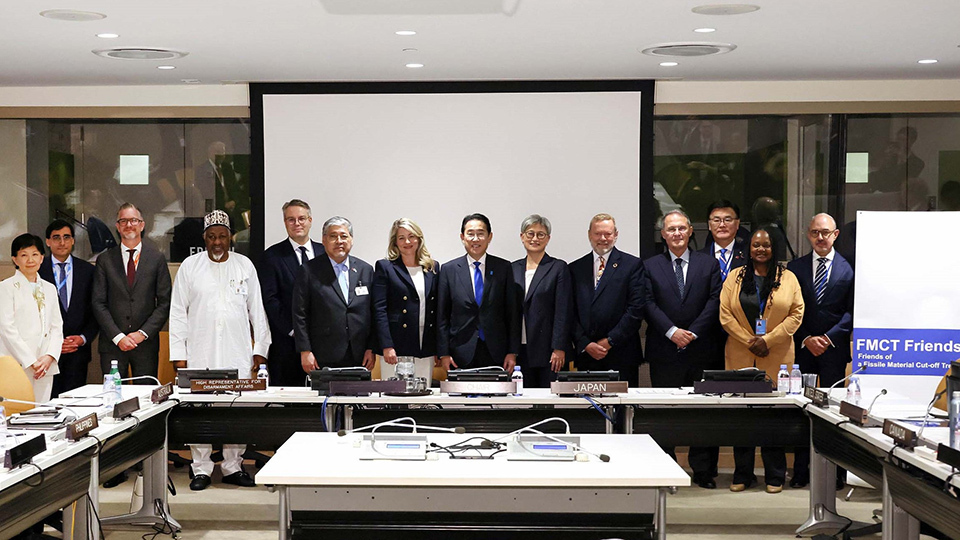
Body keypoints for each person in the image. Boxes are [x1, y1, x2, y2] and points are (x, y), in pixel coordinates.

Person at [170, 210, 270, 491]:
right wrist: (179, 354)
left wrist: (259, 350)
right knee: (200, 411)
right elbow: (177, 312)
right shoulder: (190, 266)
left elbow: (257, 312)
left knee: (234, 409)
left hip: (237, 352)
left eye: (222, 236)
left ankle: (232, 466)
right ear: (204, 238)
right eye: (212, 236)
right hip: (200, 351)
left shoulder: (245, 266)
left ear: (230, 238)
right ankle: (200, 468)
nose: (217, 242)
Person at [719, 226, 804, 494]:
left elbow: (796, 313)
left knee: (773, 418)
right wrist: (750, 341)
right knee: (742, 418)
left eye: (766, 245)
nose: (761, 249)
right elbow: (725, 315)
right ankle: (743, 473)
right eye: (756, 245)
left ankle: (775, 475)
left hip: (776, 356)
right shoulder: (735, 277)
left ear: (774, 248)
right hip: (741, 355)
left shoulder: (788, 277)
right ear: (749, 248)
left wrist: (767, 340)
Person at [643, 210, 722, 489]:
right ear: (663, 234)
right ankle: (667, 469)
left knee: (701, 413)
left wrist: (692, 333)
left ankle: (702, 471)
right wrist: (672, 332)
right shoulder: (650, 266)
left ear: (690, 231)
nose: (676, 233)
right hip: (664, 350)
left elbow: (714, 302)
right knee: (665, 413)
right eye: (670, 229)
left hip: (701, 349)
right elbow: (648, 303)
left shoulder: (709, 264)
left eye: (681, 228)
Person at [786, 213, 854, 489]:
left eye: (826, 233)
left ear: (835, 235)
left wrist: (827, 337)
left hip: (833, 352)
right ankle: (801, 471)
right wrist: (806, 338)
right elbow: (789, 310)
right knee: (802, 411)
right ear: (808, 234)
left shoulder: (849, 268)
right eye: (815, 232)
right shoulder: (795, 267)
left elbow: (851, 312)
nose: (820, 238)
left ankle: (835, 474)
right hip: (803, 351)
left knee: (832, 414)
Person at [92, 203, 172, 383]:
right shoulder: (105, 260)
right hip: (112, 344)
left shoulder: (156, 259)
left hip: (145, 345)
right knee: (112, 399)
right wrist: (118, 337)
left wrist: (142, 333)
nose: (129, 225)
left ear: (142, 225)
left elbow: (165, 303)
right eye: (124, 221)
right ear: (118, 227)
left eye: (134, 220)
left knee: (147, 400)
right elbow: (98, 303)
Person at [569, 213, 645, 386]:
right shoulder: (575, 268)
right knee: (589, 408)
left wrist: (610, 341)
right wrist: (585, 343)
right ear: (589, 234)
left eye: (608, 234)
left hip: (622, 353)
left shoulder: (632, 265)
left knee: (622, 410)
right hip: (587, 355)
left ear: (616, 235)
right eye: (597, 233)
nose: (603, 238)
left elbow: (636, 309)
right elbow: (569, 312)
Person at [437, 213, 520, 371]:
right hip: (460, 352)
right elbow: (442, 316)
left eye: (481, 234)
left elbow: (512, 313)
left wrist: (512, 352)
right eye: (470, 234)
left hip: (497, 352)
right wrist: (444, 353)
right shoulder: (449, 270)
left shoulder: (503, 268)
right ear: (462, 237)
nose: (476, 239)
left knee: (496, 395)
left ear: (490, 237)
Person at [293, 217, 376, 372]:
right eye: (333, 236)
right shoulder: (309, 271)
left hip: (359, 354)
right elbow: (300, 314)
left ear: (351, 240)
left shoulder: (366, 270)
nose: (339, 241)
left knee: (358, 395)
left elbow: (373, 312)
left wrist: (371, 348)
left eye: (344, 236)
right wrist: (305, 350)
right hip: (323, 354)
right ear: (324, 240)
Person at [259, 199, 324, 386]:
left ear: (310, 220)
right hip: (287, 345)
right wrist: (295, 331)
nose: (297, 223)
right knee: (290, 408)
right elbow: (270, 299)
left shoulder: (325, 253)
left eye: (301, 218)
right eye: (291, 219)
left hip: (323, 345)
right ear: (285, 222)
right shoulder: (272, 256)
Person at [372, 218, 440, 385]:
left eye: (411, 236)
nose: (407, 242)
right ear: (395, 242)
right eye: (401, 237)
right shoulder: (386, 267)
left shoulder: (432, 267)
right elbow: (379, 309)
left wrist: (440, 348)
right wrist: (387, 346)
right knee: (395, 395)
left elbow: (438, 309)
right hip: (397, 343)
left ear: (419, 239)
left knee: (423, 395)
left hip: (426, 343)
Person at [38, 220, 99, 397]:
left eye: (66, 237)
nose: (62, 242)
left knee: (74, 405)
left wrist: (83, 338)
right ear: (48, 242)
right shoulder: (38, 270)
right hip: (46, 354)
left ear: (73, 241)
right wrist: (54, 343)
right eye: (56, 238)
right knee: (47, 404)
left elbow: (95, 310)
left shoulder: (88, 270)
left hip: (77, 352)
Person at [0, 234, 63, 402]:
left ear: (42, 258)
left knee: (42, 413)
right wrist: (31, 361)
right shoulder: (6, 287)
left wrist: (50, 356)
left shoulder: (49, 289)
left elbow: (57, 326)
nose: (30, 260)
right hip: (18, 363)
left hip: (45, 365)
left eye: (35, 254)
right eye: (24, 255)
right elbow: (7, 328)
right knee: (18, 414)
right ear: (15, 259)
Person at [510, 214, 572, 387]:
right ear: (522, 237)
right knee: (521, 400)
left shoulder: (558, 267)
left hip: (548, 350)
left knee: (547, 400)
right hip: (519, 348)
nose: (535, 238)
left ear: (548, 238)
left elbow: (563, 310)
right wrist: (510, 350)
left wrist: (559, 347)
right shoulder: (512, 268)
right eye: (530, 234)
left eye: (540, 234)